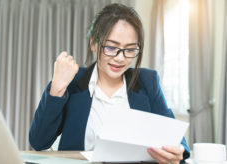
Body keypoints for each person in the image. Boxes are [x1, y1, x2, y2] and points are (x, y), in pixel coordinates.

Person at [29, 3, 190, 164]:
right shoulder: (73, 81)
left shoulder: (148, 82)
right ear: (94, 43)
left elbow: (174, 137)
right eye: (112, 47)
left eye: (130, 49)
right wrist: (57, 88)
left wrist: (179, 151)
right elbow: (39, 141)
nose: (120, 58)